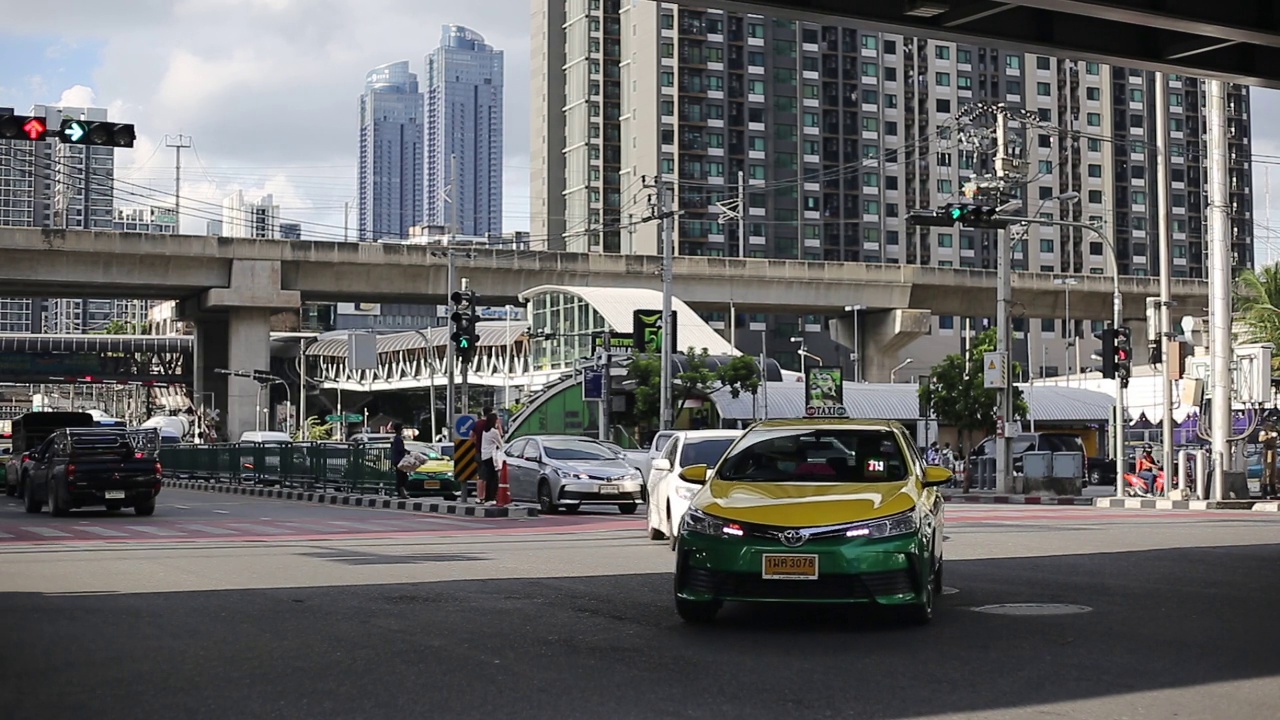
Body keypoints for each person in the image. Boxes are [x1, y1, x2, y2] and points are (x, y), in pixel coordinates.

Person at [469, 406, 493, 502]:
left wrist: (477, 442)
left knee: (481, 476)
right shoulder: (489, 424)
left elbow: (471, 435)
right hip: (488, 453)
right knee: (487, 477)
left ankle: (480, 496)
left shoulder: (477, 424)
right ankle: (483, 496)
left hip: (478, 452)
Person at [479, 412, 503, 504]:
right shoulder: (494, 432)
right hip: (491, 457)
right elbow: (501, 444)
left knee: (488, 478)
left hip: (485, 456)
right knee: (494, 478)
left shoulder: (485, 431)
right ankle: (491, 498)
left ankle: (487, 498)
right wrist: (499, 428)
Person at [390, 422, 409, 499]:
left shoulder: (397, 438)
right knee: (402, 477)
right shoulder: (398, 438)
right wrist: (406, 451)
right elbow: (400, 449)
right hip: (399, 460)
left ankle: (401, 492)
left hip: (398, 459)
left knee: (401, 476)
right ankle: (400, 492)